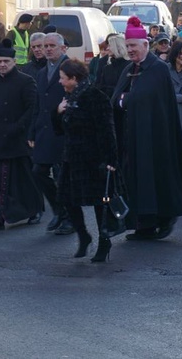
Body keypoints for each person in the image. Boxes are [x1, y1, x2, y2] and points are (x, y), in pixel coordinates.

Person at [111, 19, 182, 241]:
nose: (130, 50)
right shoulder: (129, 69)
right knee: (136, 181)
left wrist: (126, 100)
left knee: (156, 179)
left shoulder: (158, 69)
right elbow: (117, 99)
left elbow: (146, 99)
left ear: (145, 45)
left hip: (155, 136)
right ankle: (144, 225)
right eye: (128, 45)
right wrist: (123, 101)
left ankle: (162, 219)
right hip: (131, 137)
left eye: (134, 46)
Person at [52, 59, 118, 262]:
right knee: (66, 199)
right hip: (71, 157)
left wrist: (109, 160)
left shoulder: (95, 96)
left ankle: (104, 241)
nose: (60, 82)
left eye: (63, 78)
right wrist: (58, 112)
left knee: (100, 203)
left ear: (74, 78)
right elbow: (59, 130)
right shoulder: (69, 97)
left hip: (93, 158)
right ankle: (83, 235)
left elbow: (107, 130)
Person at [0, 39, 43, 230]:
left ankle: (34, 210)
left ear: (14, 62)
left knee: (23, 179)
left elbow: (32, 108)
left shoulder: (26, 81)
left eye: (6, 62)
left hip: (18, 139)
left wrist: (19, 128)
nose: (2, 65)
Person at [29, 32, 74, 235]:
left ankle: (69, 219)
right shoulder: (42, 72)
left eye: (51, 46)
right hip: (45, 130)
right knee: (38, 171)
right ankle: (58, 209)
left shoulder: (70, 69)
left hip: (65, 130)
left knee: (64, 177)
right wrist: (32, 131)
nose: (47, 49)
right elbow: (37, 104)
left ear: (63, 48)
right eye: (45, 46)